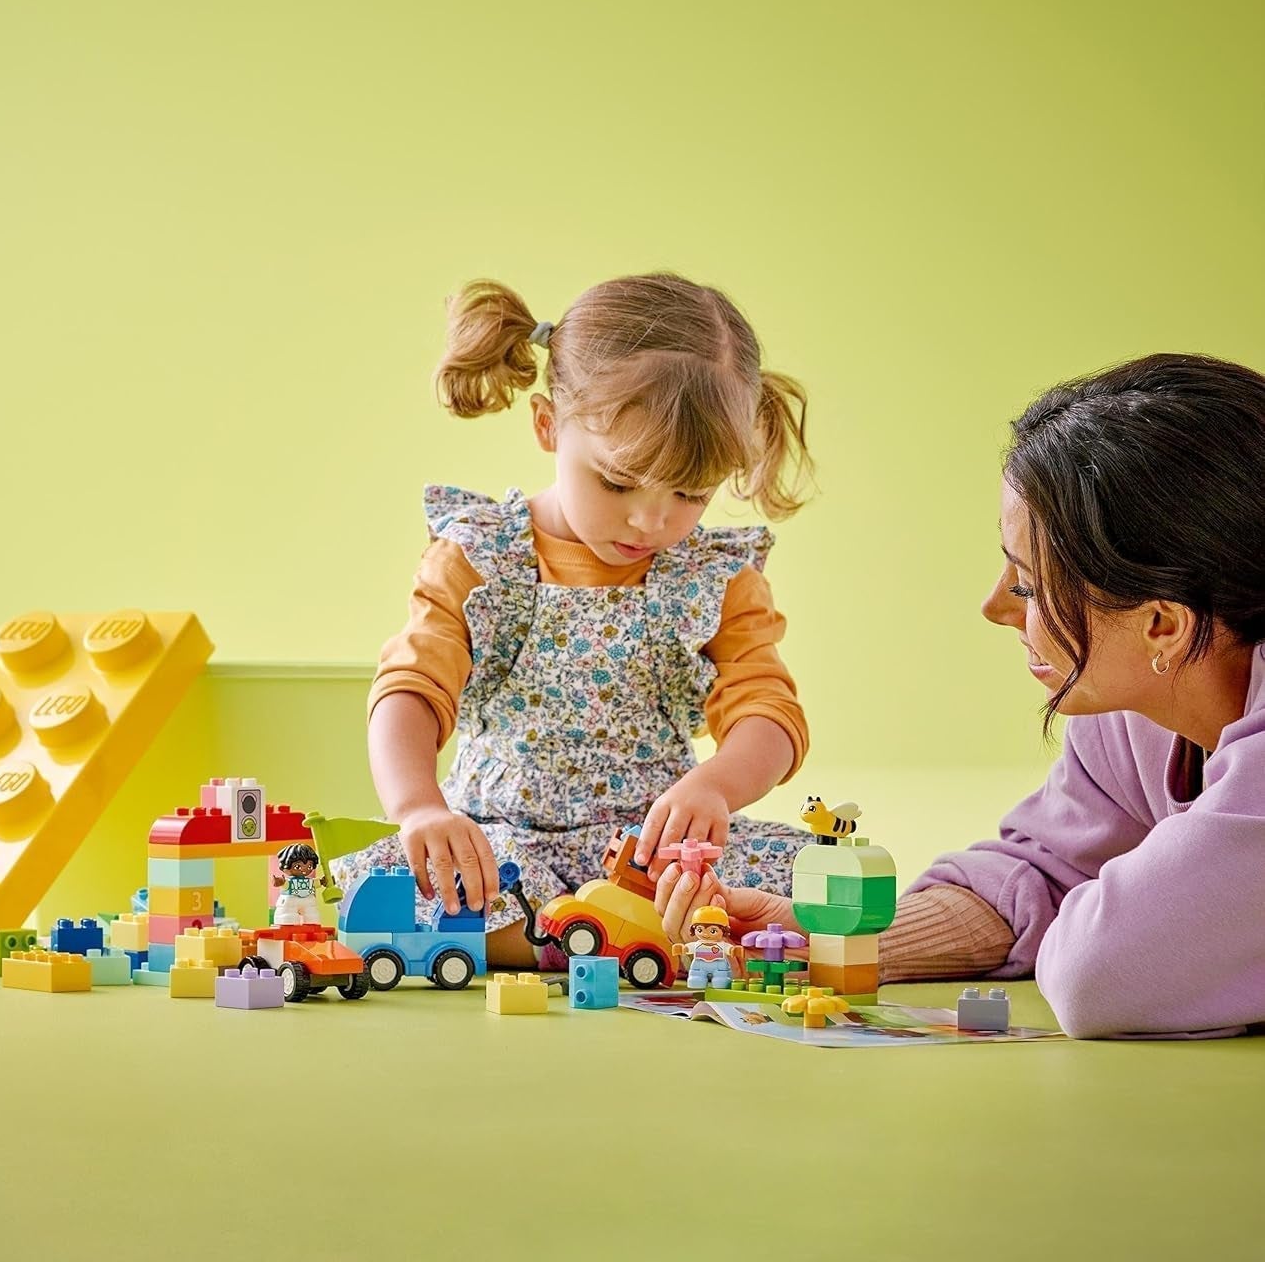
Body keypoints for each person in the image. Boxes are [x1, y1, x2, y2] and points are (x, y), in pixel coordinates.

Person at [657, 354, 1265, 1039]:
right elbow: (1042, 872)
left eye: (1029, 586)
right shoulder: (1137, 709)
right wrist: (829, 942)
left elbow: (1098, 975)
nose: (993, 607)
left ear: (1163, 624)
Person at [344, 273, 816, 969]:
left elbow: (768, 713)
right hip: (503, 846)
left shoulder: (714, 577)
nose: (652, 521)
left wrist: (715, 785)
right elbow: (411, 688)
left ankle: (612, 936)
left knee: (807, 885)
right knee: (384, 894)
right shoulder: (483, 556)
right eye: (618, 482)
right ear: (547, 425)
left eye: (690, 492)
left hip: (650, 858)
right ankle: (612, 943)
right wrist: (419, 807)